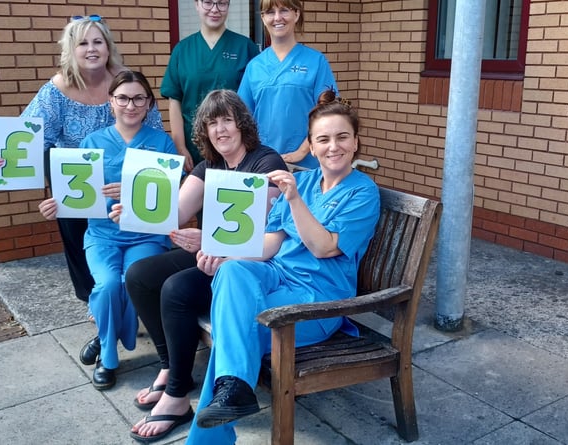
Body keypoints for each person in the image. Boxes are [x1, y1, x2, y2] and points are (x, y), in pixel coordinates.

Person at [186, 89, 381, 444]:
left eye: (342, 137)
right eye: (323, 139)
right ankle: (233, 392)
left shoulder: (362, 193)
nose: (333, 146)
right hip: (277, 278)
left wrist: (292, 200)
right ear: (311, 144)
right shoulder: (304, 180)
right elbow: (270, 244)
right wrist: (224, 256)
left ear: (356, 142)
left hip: (318, 300)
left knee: (233, 334)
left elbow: (323, 248)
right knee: (232, 273)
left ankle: (213, 428)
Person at [108, 89, 287, 443]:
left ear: (242, 124)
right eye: (211, 123)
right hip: (212, 250)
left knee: (176, 289)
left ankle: (177, 396)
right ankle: (169, 365)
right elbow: (173, 213)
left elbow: (256, 232)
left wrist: (206, 240)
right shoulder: (210, 166)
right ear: (203, 131)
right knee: (140, 275)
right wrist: (134, 212)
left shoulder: (267, 163)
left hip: (248, 265)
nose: (220, 130)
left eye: (226, 120)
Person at [0, 15, 164, 305]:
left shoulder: (124, 82)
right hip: (73, 177)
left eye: (97, 41)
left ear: (108, 46)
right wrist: (1, 159)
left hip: (120, 176)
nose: (91, 49)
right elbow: (25, 136)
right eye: (83, 43)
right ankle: (92, 299)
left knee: (127, 241)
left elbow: (153, 133)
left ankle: (129, 298)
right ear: (72, 49)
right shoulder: (56, 90)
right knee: (80, 243)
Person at [37, 70, 176, 390]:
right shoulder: (92, 143)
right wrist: (57, 204)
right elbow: (78, 195)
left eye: (139, 98)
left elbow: (168, 202)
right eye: (123, 98)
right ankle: (108, 353)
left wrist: (129, 195)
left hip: (146, 235)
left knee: (131, 281)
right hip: (102, 235)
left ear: (149, 103)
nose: (131, 105)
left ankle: (104, 340)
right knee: (108, 284)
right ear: (111, 102)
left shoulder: (161, 143)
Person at [237, 0, 338, 169]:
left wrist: (301, 151)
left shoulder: (316, 61)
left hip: (307, 165)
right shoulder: (254, 67)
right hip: (263, 163)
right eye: (270, 12)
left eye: (284, 10)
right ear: (262, 18)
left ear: (296, 14)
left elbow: (329, 114)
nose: (277, 18)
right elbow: (242, 118)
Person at [160, 0, 259, 172]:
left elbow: (255, 100)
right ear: (196, 4)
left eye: (222, 3)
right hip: (193, 148)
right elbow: (174, 101)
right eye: (208, 3)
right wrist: (180, 147)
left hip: (235, 146)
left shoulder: (245, 47)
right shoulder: (182, 50)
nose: (215, 9)